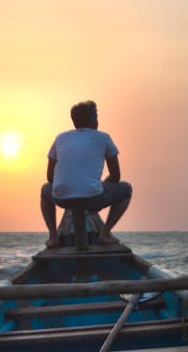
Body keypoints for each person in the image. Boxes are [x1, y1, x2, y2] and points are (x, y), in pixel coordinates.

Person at [40, 100, 132, 248]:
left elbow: (50, 178)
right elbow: (116, 176)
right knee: (126, 189)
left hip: (62, 198)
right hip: (92, 198)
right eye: (96, 116)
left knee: (45, 190)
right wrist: (98, 185)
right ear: (91, 120)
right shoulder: (103, 137)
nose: (97, 120)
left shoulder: (60, 138)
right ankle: (105, 233)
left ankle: (53, 237)